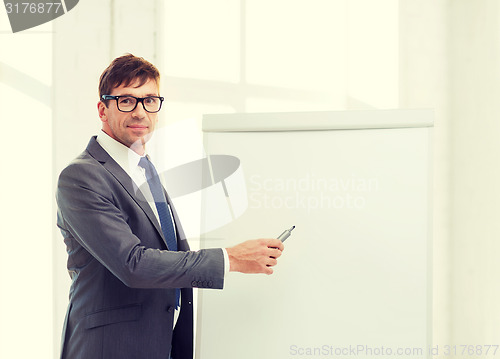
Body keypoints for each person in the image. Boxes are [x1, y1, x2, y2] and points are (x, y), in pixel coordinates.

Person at [56, 53, 284, 359]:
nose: (140, 111)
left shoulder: (144, 170)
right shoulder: (83, 175)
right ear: (102, 109)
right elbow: (133, 264)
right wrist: (230, 258)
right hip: (110, 348)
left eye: (150, 100)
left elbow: (169, 254)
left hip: (159, 344)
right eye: (126, 100)